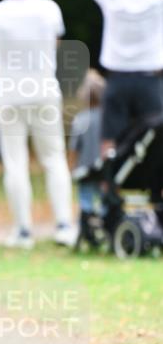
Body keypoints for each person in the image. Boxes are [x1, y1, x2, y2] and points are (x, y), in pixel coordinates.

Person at [0, 0, 76, 249]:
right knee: (54, 159)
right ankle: (63, 226)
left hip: (9, 95)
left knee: (15, 163)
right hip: (45, 91)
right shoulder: (49, 8)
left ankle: (23, 232)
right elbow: (57, 41)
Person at [72, 0, 163, 158]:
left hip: (117, 79)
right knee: (158, 140)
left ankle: (108, 189)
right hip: (150, 79)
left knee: (109, 140)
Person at [69, 69, 105, 244]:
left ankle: (86, 229)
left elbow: (74, 148)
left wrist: (72, 168)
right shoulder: (109, 118)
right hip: (105, 169)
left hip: (85, 170)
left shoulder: (80, 120)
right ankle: (105, 226)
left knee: (86, 200)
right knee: (104, 199)